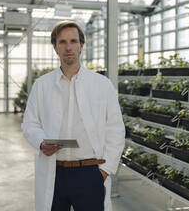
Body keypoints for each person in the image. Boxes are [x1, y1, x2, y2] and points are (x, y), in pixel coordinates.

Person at [22, 20, 125, 211]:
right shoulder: (42, 85)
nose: (68, 47)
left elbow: (116, 129)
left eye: (73, 41)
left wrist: (105, 171)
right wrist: (41, 142)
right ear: (55, 47)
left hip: (90, 172)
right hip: (54, 171)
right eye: (62, 42)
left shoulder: (102, 85)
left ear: (81, 46)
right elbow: (30, 124)